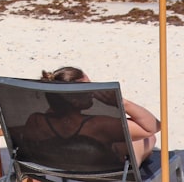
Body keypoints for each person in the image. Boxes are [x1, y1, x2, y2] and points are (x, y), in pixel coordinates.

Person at [25, 66, 160, 167]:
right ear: (74, 100)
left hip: (64, 167)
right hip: (102, 173)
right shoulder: (99, 125)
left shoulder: (36, 121)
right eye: (89, 87)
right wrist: (122, 102)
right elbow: (153, 126)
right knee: (147, 138)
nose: (94, 92)